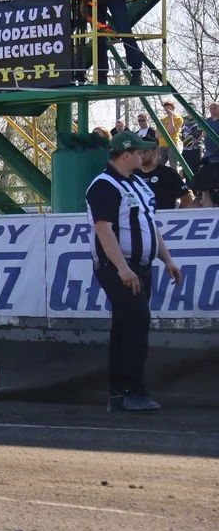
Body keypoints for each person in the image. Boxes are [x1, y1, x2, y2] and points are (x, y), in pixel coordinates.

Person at [86, 131, 181, 412]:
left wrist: (167, 260)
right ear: (126, 154)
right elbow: (103, 229)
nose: (144, 156)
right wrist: (123, 268)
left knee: (126, 325)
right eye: (139, 152)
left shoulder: (137, 183)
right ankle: (134, 391)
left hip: (139, 265)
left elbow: (151, 226)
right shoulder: (103, 185)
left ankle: (118, 393)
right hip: (118, 265)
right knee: (138, 321)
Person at [136, 135, 193, 209]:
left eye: (145, 151)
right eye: (139, 152)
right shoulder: (132, 174)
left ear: (154, 152)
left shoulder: (168, 173)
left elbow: (187, 198)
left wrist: (177, 216)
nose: (141, 155)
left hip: (163, 218)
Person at [156, 100, 184, 165]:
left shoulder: (178, 119)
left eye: (169, 108)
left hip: (172, 145)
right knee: (159, 166)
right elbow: (157, 135)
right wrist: (167, 131)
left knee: (173, 166)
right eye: (165, 109)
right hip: (161, 145)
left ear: (173, 108)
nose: (167, 110)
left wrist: (171, 117)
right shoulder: (162, 120)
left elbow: (172, 130)